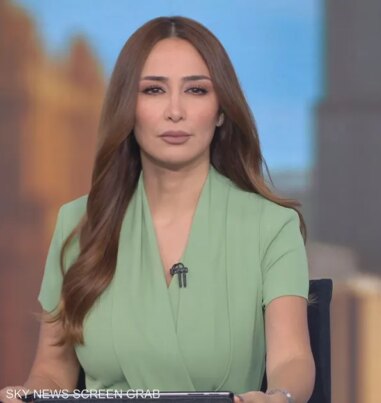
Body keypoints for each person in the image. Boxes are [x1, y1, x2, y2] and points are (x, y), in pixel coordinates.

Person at [1, 16, 314, 403]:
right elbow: (52, 370)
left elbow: (292, 358)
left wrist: (278, 396)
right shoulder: (78, 224)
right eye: (153, 90)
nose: (175, 111)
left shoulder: (272, 226)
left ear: (220, 110)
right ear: (128, 108)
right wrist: (29, 397)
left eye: (196, 90)